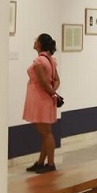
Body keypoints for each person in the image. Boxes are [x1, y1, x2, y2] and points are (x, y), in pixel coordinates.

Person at [23, 32, 61, 173]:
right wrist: (53, 92)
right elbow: (56, 80)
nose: (34, 41)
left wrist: (51, 91)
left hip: (40, 100)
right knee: (46, 133)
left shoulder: (40, 61)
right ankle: (41, 162)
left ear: (39, 44)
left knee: (46, 134)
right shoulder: (50, 59)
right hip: (46, 99)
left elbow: (43, 82)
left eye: (36, 40)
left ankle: (50, 164)